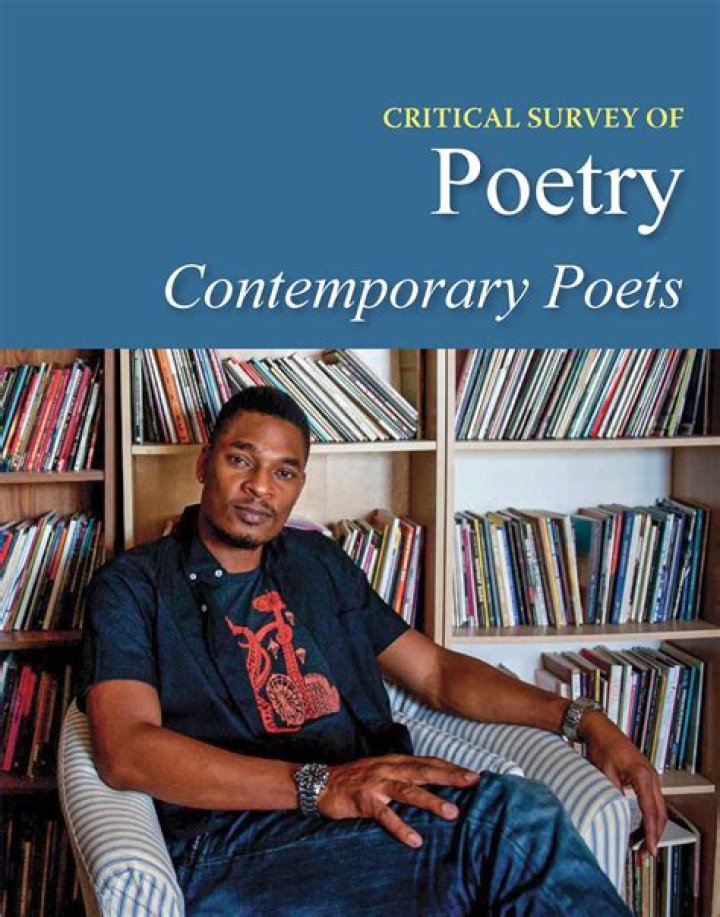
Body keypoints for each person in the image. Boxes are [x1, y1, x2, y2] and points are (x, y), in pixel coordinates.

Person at [80, 386, 665, 915]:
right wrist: (320, 786)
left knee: (504, 847)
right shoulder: (133, 586)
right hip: (234, 841)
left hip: (370, 815)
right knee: (510, 821)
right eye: (241, 460)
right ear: (203, 462)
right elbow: (125, 749)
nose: (260, 486)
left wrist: (581, 718)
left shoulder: (317, 564)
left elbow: (436, 672)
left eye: (284, 472)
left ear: (299, 486)